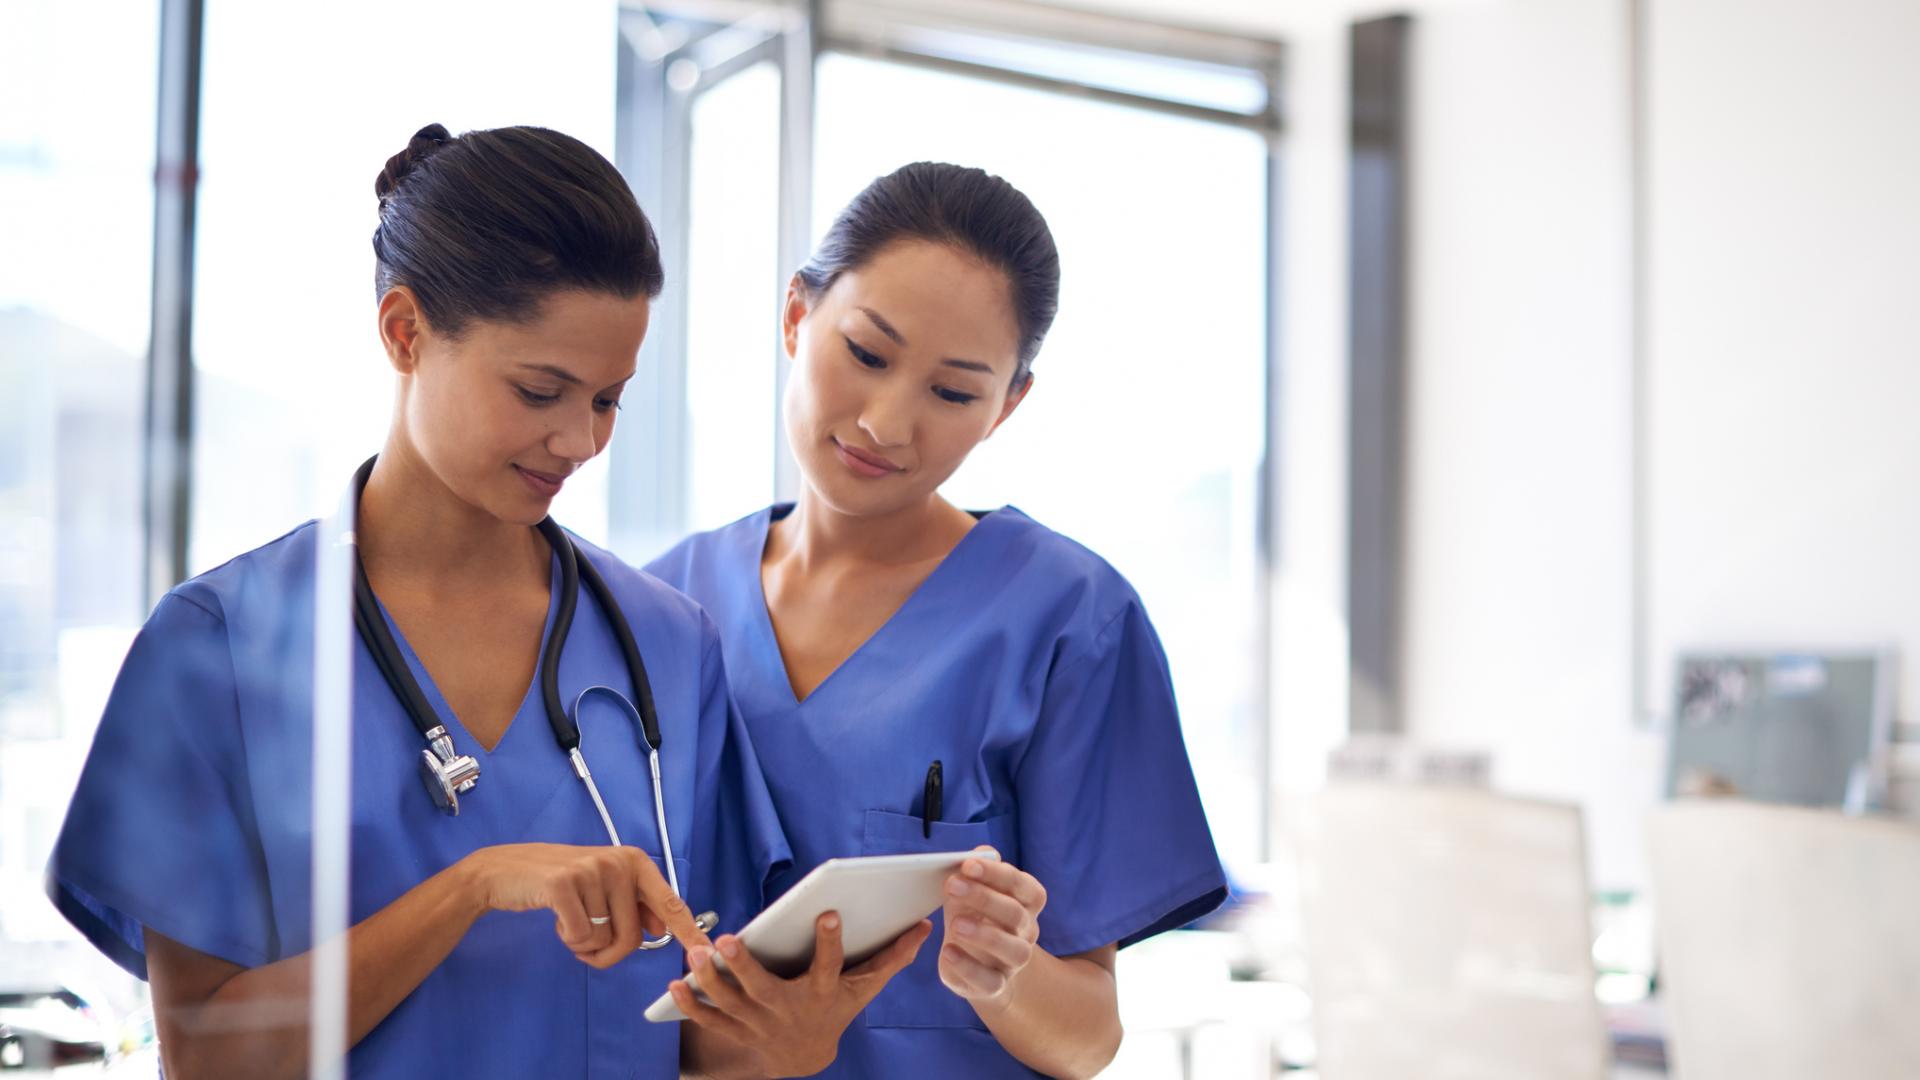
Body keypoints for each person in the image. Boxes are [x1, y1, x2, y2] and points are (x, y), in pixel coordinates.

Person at [46, 123, 918, 1079]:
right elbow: (208, 1059)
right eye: (541, 390)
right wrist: (473, 886)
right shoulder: (217, 650)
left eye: (608, 399)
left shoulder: (667, 644)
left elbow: (694, 1031)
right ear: (405, 331)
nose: (581, 441)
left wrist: (786, 1044)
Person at [647, 162, 1228, 1078]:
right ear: (797, 315)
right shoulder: (660, 611)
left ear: (1008, 405)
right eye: (867, 354)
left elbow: (1087, 1039)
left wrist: (1002, 976)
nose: (886, 423)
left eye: (954, 393)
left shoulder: (1070, 620)